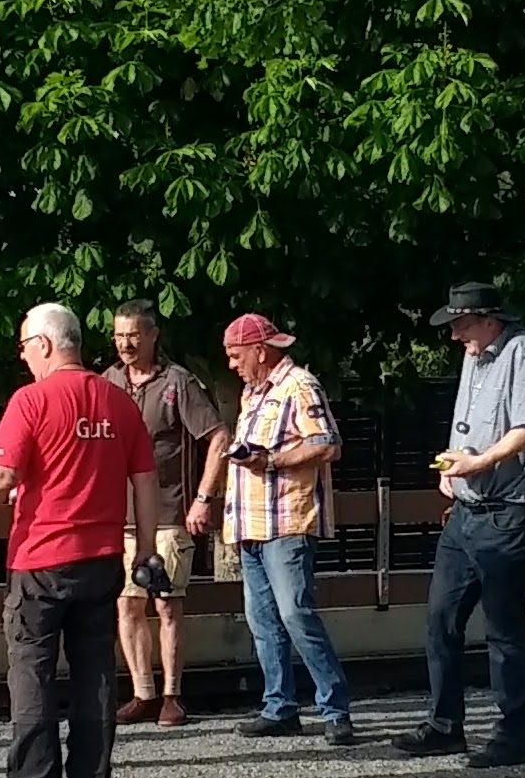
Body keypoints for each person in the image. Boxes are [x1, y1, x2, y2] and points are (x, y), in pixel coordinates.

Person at [0, 304, 159, 778]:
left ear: (44, 344)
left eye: (24, 346)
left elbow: (1, 477)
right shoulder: (119, 401)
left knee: (31, 669)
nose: (23, 356)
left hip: (41, 557)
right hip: (102, 556)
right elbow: (146, 482)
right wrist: (147, 550)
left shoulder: (31, 400)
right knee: (95, 670)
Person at [394, 279, 525, 767]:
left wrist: (478, 463)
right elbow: (469, 425)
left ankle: (513, 737)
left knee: (504, 628)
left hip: (506, 511)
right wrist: (453, 465)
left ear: (489, 320)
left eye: (461, 325)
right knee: (441, 618)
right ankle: (445, 726)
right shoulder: (475, 358)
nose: (455, 335)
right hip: (466, 511)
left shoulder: (523, 352)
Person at [210, 310, 356, 743]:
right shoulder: (252, 394)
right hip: (252, 523)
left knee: (295, 614)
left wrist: (271, 461)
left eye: (236, 356)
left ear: (260, 351)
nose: (232, 365)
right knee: (264, 621)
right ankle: (279, 707)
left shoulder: (299, 385)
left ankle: (335, 709)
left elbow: (327, 444)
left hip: (288, 521)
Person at [105, 300, 229, 727]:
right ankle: (142, 694)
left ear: (152, 336)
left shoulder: (178, 382)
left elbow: (218, 437)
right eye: (119, 336)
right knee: (127, 605)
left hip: (169, 513)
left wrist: (203, 498)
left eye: (133, 336)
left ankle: (172, 696)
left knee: (167, 605)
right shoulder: (107, 382)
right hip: (119, 516)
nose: (125, 344)